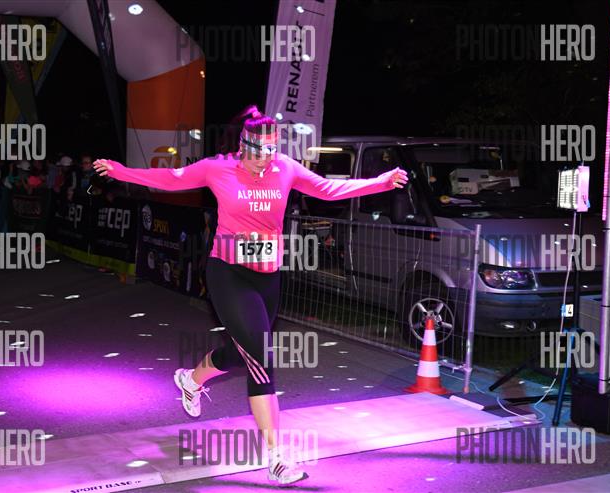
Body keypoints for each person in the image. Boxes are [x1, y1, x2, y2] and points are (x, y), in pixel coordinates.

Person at [94, 107, 407, 486]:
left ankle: (191, 380)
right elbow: (172, 179)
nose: (264, 159)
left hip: (267, 278)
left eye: (270, 151)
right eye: (257, 152)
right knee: (260, 358)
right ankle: (276, 458)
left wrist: (381, 182)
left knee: (240, 353)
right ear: (243, 146)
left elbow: (327, 189)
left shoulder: (285, 168)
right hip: (228, 274)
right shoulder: (217, 168)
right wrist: (120, 172)